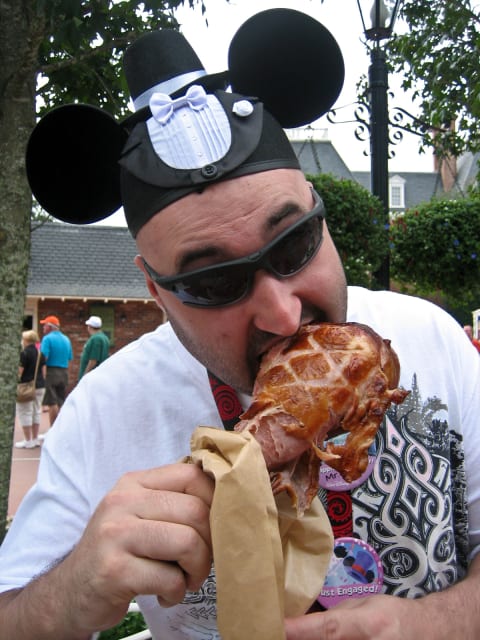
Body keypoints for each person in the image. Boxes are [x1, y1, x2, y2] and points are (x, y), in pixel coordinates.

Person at [1, 9, 480, 639]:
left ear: (324, 220)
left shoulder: (432, 338)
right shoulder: (107, 409)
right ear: (155, 291)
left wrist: (437, 622)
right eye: (214, 283)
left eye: (294, 243)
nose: (283, 312)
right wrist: (74, 589)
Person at [39, 314, 73, 429]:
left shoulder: (47, 339)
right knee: (60, 401)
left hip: (51, 371)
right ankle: (61, 428)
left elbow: (44, 358)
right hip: (64, 371)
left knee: (51, 402)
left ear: (49, 327)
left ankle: (53, 430)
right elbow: (69, 358)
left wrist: (43, 374)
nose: (43, 328)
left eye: (44, 326)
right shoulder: (66, 339)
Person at [14, 330, 46, 449]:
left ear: (26, 340)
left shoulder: (24, 354)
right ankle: (35, 438)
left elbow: (20, 372)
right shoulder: (40, 353)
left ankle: (28, 440)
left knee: (25, 412)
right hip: (39, 386)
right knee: (36, 411)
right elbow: (44, 372)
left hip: (26, 386)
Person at [78, 315, 110, 379]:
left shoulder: (96, 339)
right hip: (99, 374)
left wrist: (85, 375)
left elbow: (93, 360)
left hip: (91, 376)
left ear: (90, 327)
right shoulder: (105, 338)